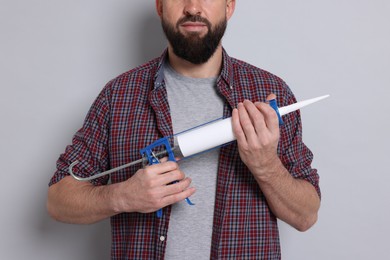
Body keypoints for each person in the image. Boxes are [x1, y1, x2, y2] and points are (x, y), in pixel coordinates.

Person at [47, 0, 321, 259]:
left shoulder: (268, 94)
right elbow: (58, 200)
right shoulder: (118, 96)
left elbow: (306, 215)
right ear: (160, 6)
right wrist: (122, 196)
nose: (192, 7)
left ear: (229, 6)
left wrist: (265, 165)